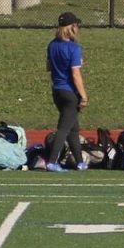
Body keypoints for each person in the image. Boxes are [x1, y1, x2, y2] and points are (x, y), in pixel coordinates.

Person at [45, 11, 88, 173]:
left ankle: (79, 162)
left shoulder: (52, 45)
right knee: (64, 128)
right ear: (72, 27)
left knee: (73, 128)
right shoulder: (74, 48)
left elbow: (48, 67)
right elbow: (76, 75)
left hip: (57, 91)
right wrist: (83, 95)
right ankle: (52, 161)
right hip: (70, 93)